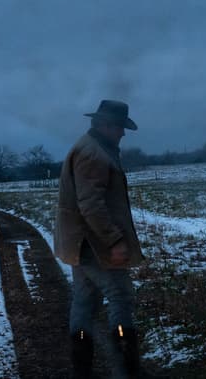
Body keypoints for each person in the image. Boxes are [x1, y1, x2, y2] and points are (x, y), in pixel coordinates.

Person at [54, 99, 145, 378]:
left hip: (81, 243)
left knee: (83, 301)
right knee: (119, 296)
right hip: (94, 243)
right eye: (119, 127)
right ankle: (127, 369)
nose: (122, 133)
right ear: (105, 125)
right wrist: (114, 240)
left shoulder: (90, 147)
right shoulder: (94, 154)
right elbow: (91, 205)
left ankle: (82, 370)